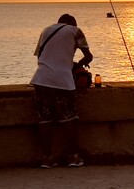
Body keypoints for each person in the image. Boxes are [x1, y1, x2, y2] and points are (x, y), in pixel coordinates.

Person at [30, 14, 93, 168]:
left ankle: (47, 158)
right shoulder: (75, 31)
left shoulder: (46, 30)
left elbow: (41, 56)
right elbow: (88, 56)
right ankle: (73, 157)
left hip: (41, 80)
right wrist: (79, 64)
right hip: (63, 82)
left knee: (44, 120)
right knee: (69, 119)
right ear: (72, 23)